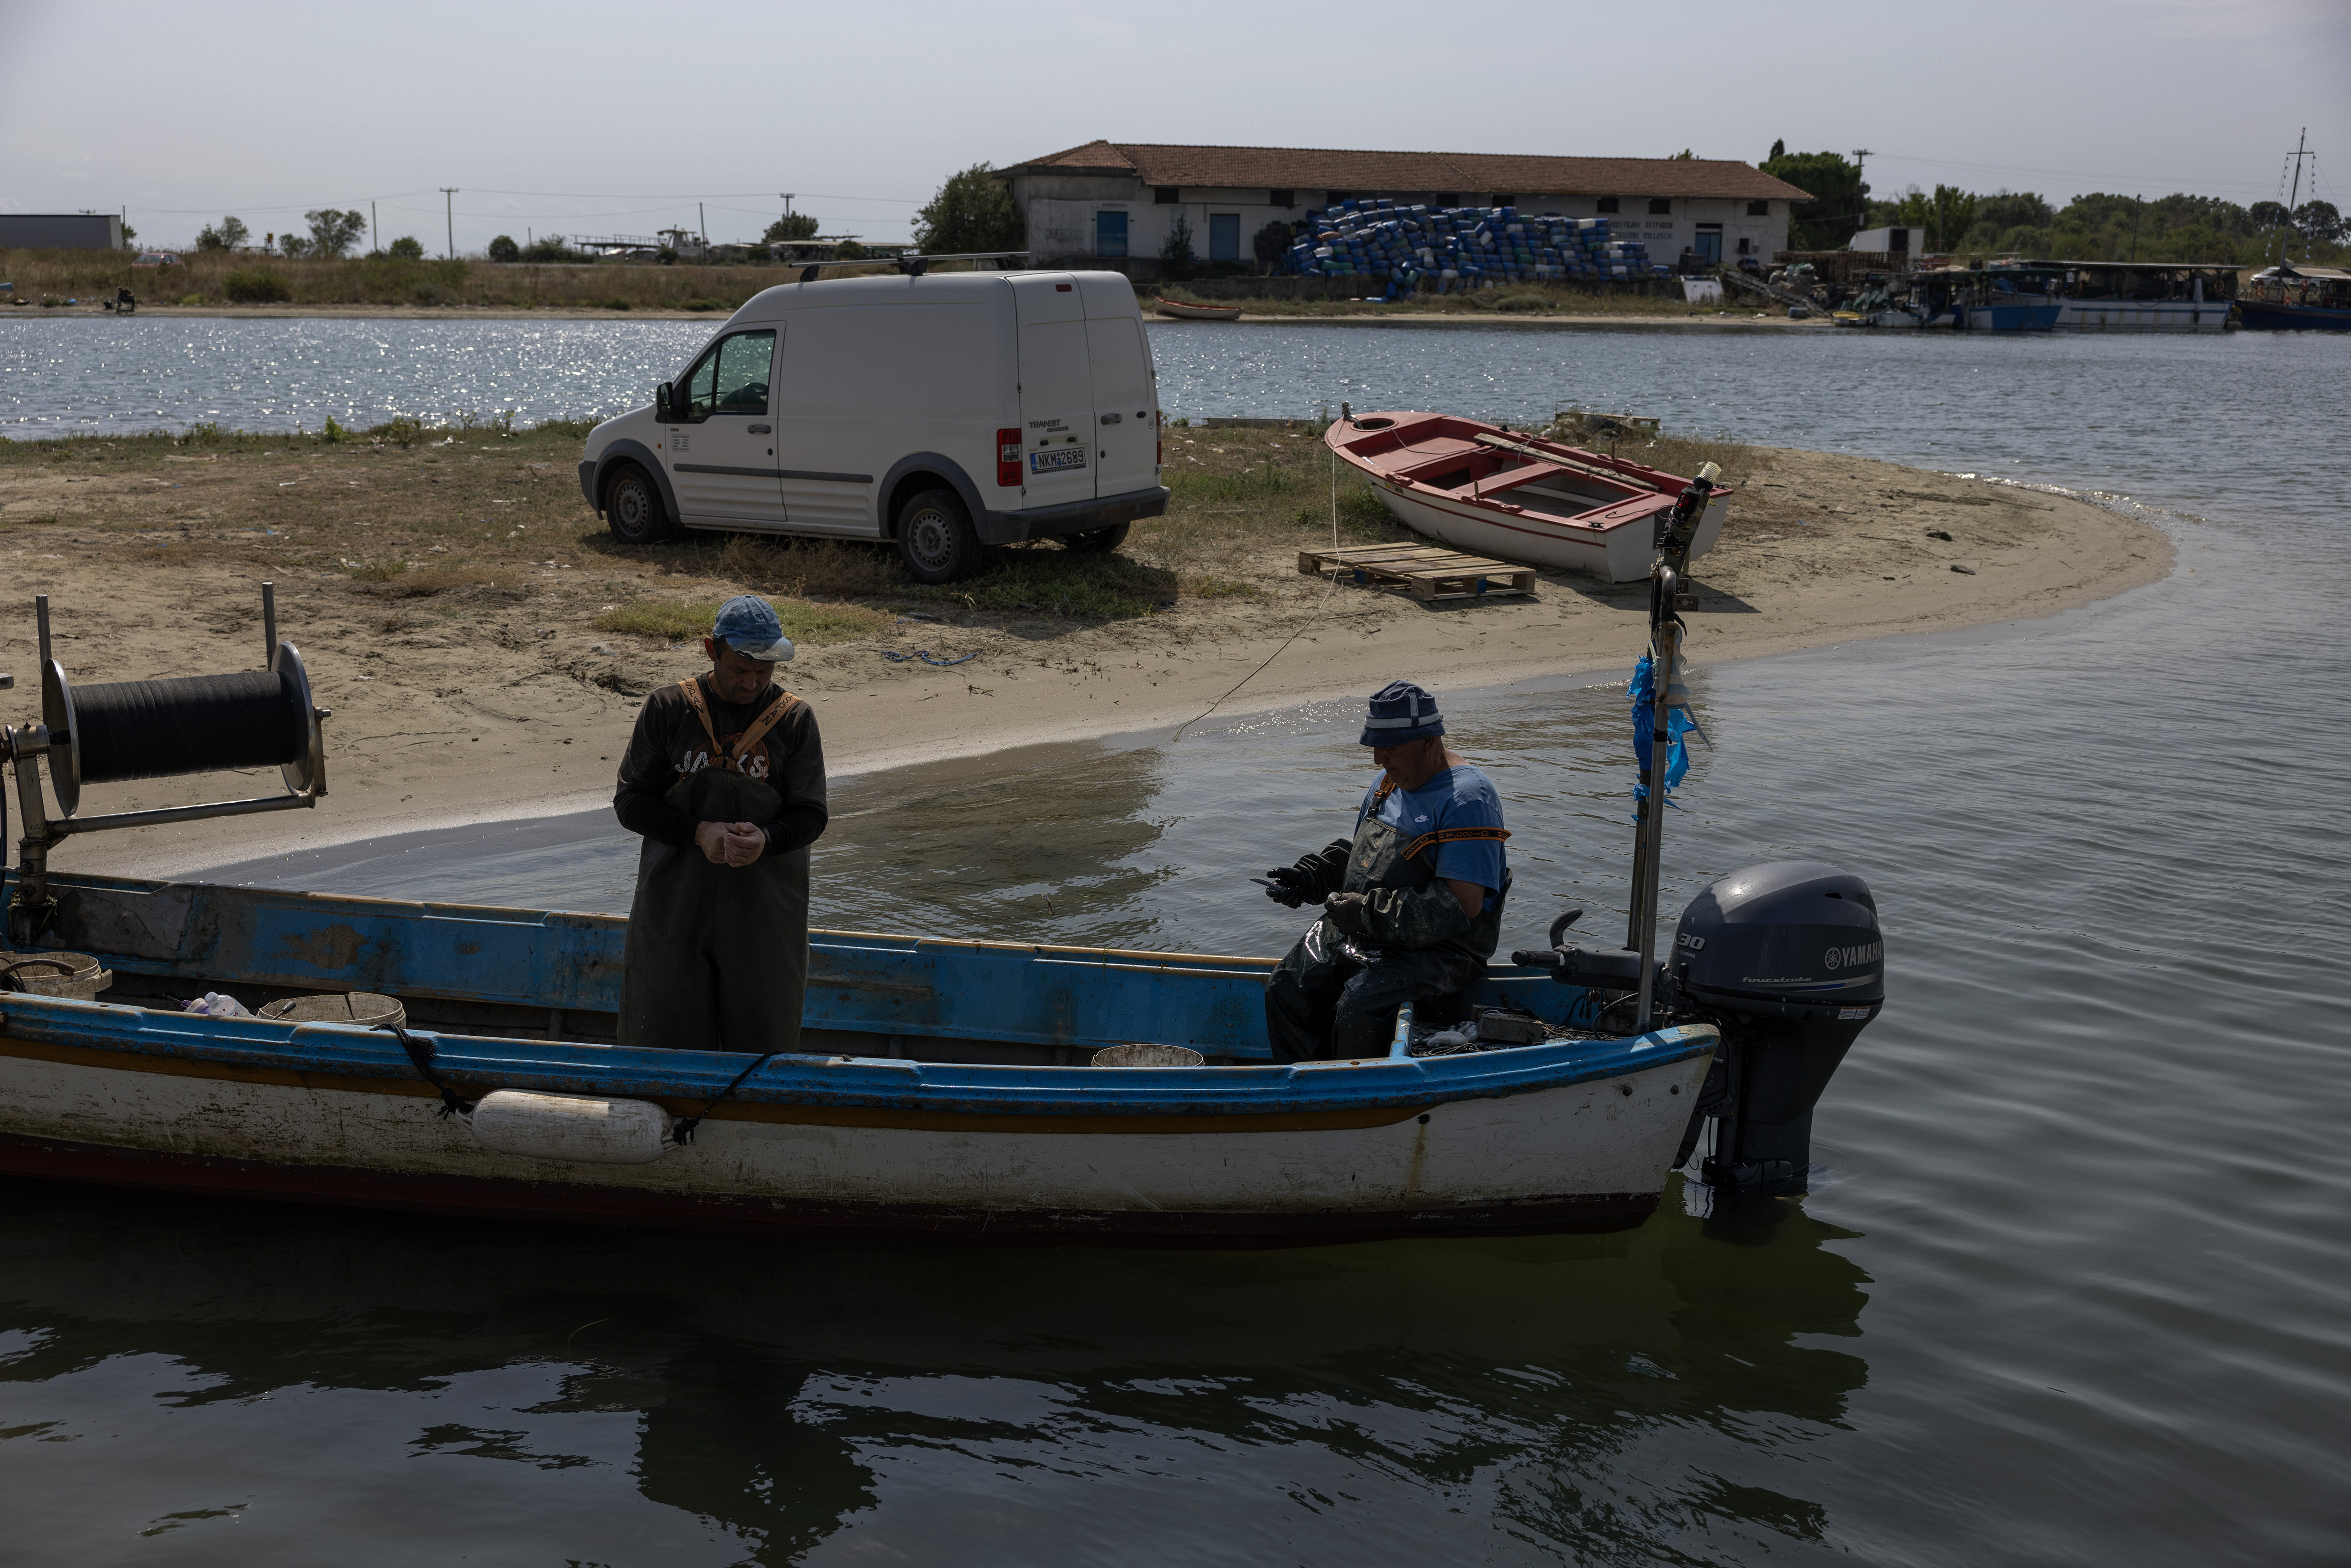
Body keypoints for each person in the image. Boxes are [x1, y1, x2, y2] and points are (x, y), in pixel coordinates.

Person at [613, 595, 827, 1054]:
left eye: (763, 672)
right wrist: (697, 832)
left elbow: (811, 814)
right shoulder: (668, 708)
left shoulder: (795, 720)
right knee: (663, 1041)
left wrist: (767, 838)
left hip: (764, 915)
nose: (751, 682)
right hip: (672, 907)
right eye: (739, 670)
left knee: (764, 1046)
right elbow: (630, 802)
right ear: (712, 650)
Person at [1260, 681, 1510, 1062]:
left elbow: (1462, 906)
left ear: (1429, 741)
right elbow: (1366, 860)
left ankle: (1356, 1101)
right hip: (1373, 931)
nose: (1379, 759)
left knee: (1359, 1006)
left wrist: (1363, 913)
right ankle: (1308, 1091)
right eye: (1375, 746)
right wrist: (1312, 878)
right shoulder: (1388, 782)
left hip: (1443, 950)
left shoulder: (1468, 798)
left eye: (1389, 747)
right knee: (1287, 986)